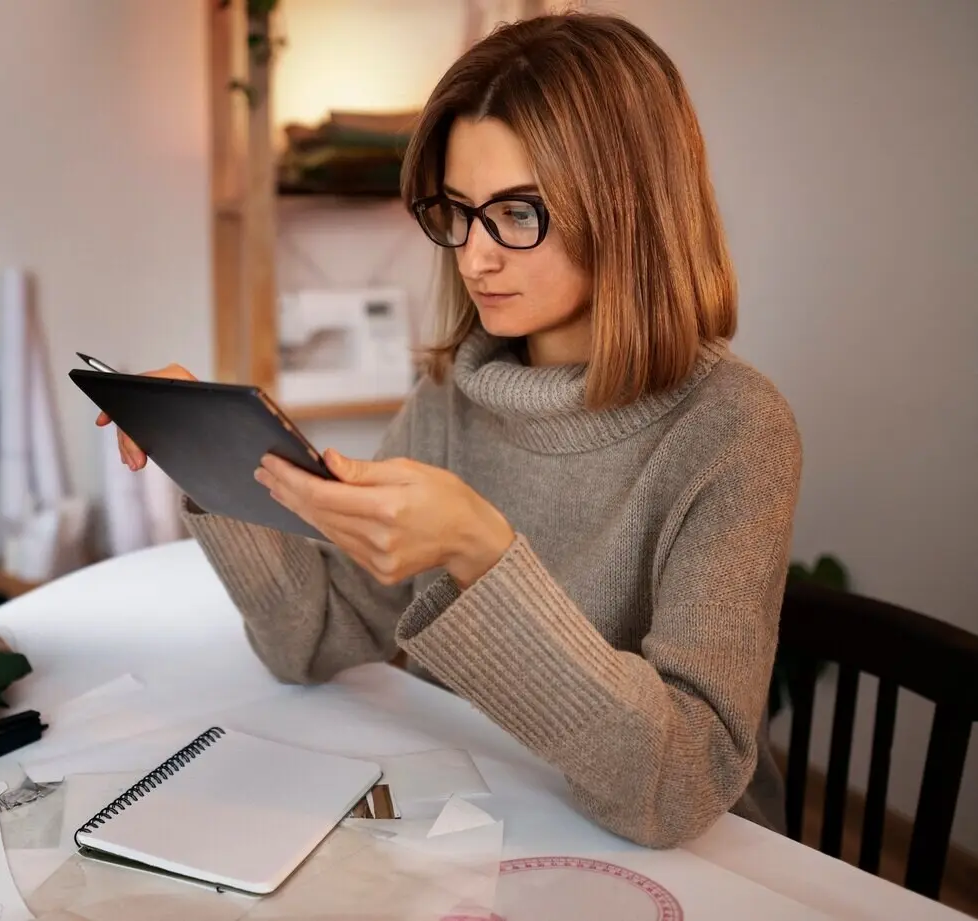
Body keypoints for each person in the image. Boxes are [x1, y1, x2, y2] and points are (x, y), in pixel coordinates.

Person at [96, 11, 802, 849]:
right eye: (458, 211)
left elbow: (682, 784)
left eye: (518, 213)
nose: (474, 256)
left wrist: (482, 554)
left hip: (692, 864)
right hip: (486, 812)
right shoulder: (451, 397)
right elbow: (311, 642)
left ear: (630, 209)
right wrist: (212, 454)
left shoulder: (735, 430)